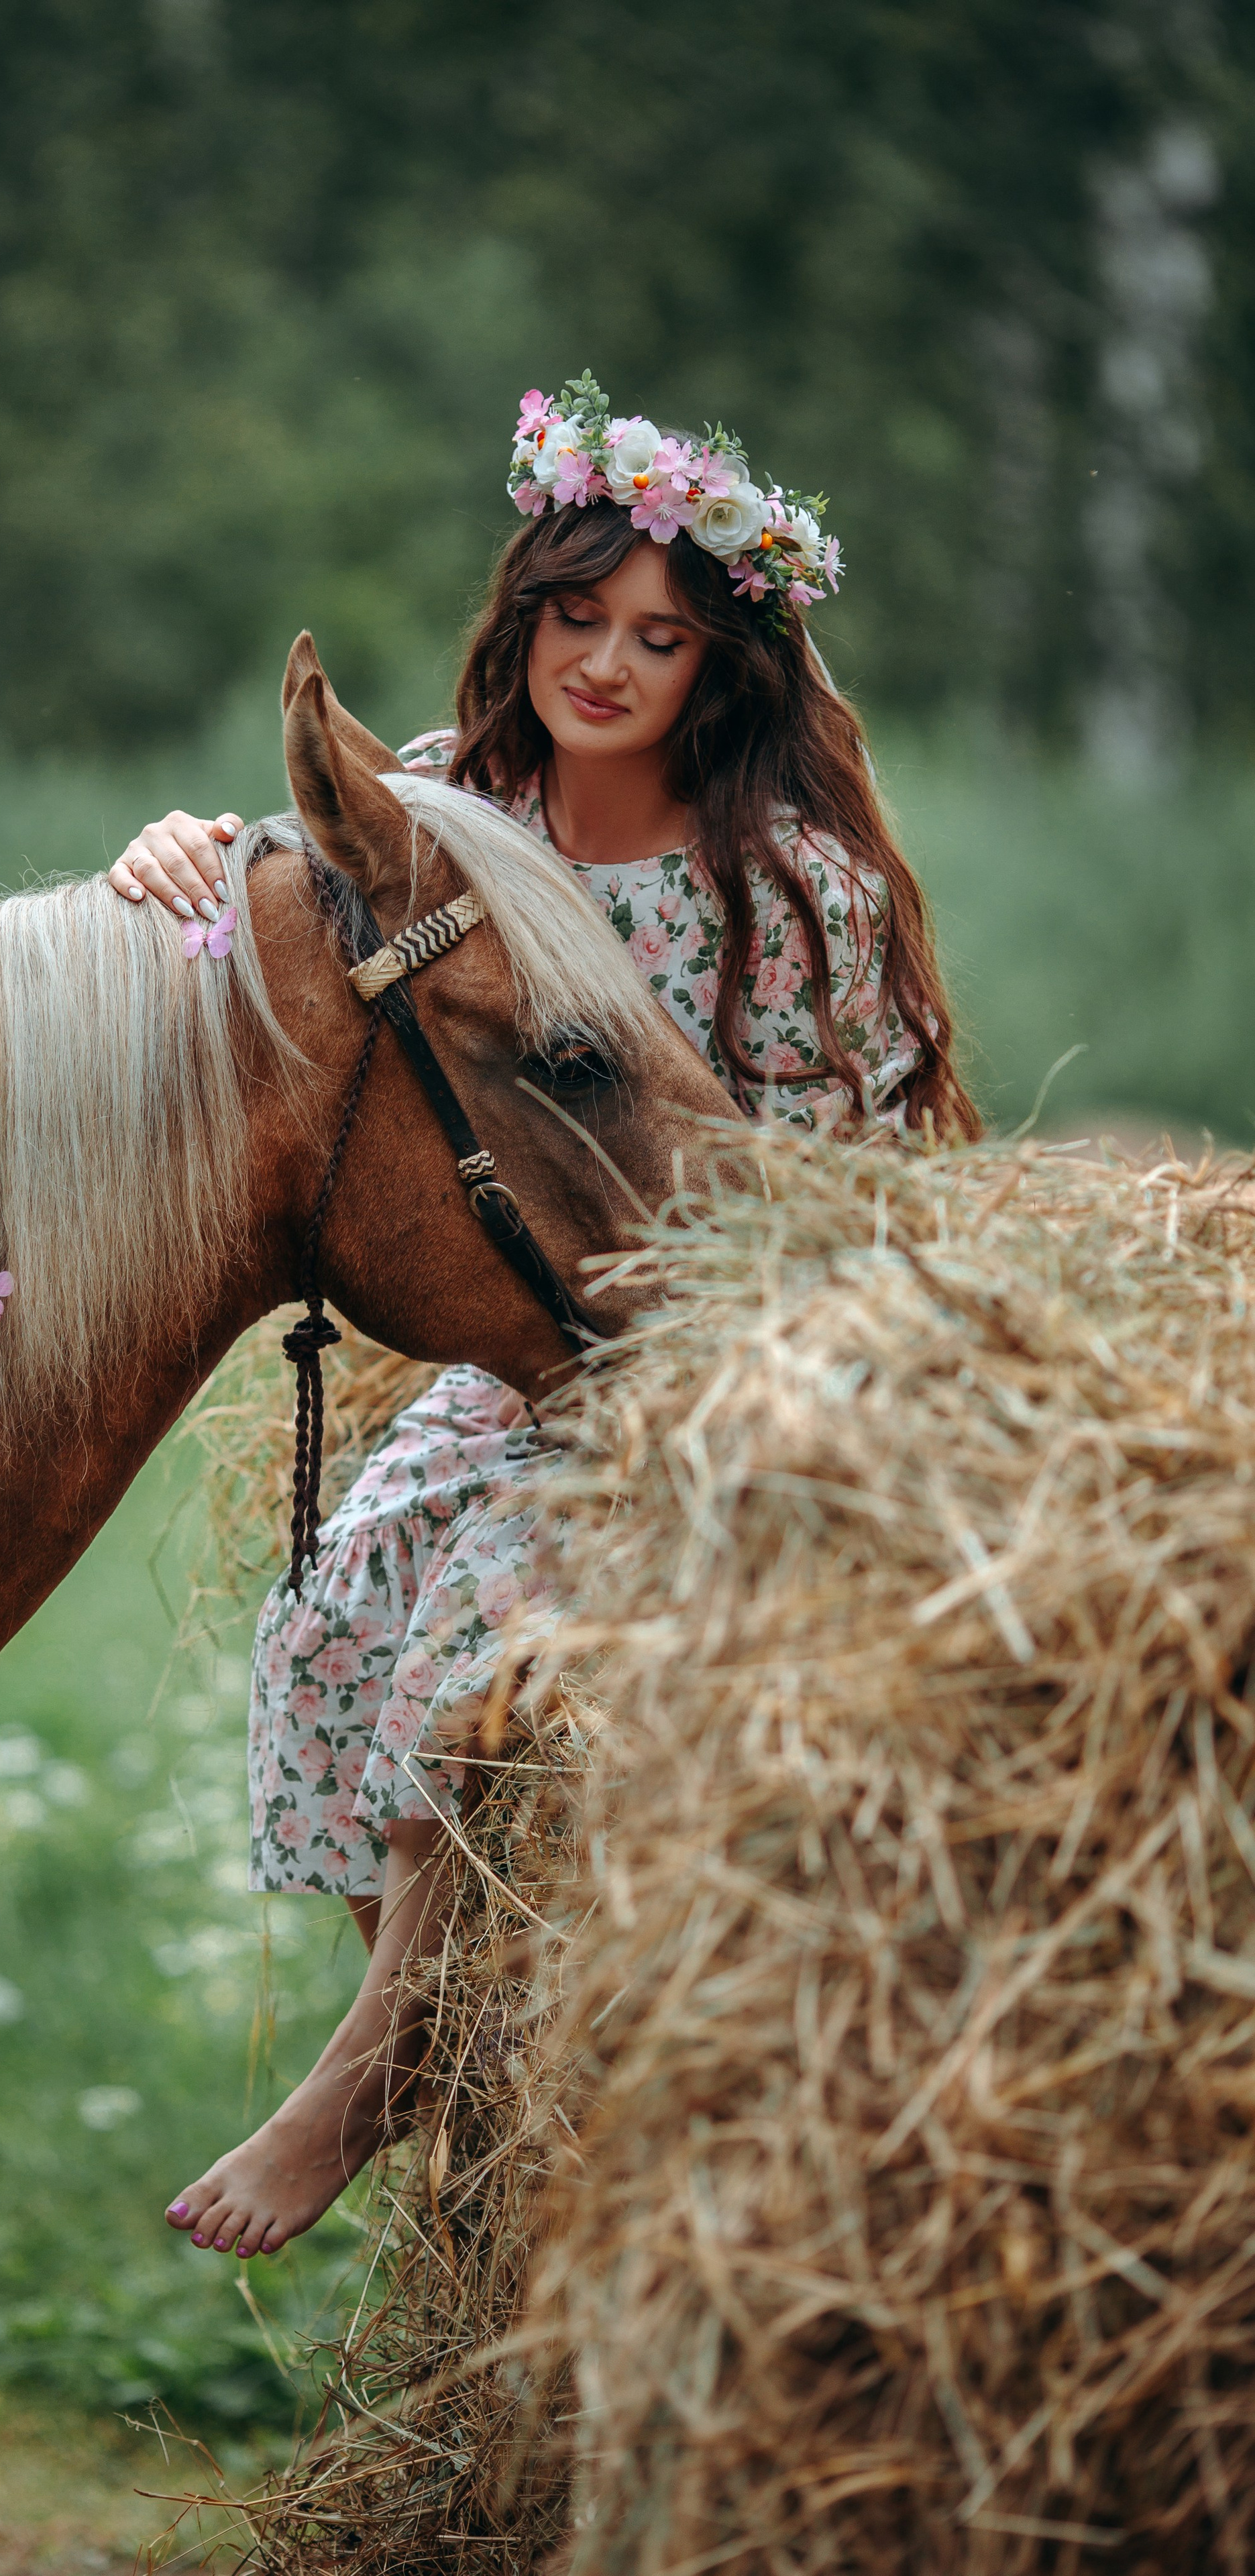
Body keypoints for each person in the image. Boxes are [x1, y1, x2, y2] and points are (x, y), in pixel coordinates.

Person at [106, 372, 980, 2263]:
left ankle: (358, 2086)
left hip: (726, 1363)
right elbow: (300, 894)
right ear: (528, 618)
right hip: (532, 1359)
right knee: (341, 1605)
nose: (606, 664)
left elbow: (843, 1188)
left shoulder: (784, 889)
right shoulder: (462, 811)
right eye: (578, 618)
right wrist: (174, 851)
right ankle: (459, 2051)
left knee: (490, 1637)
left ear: (720, 670)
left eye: (659, 639)